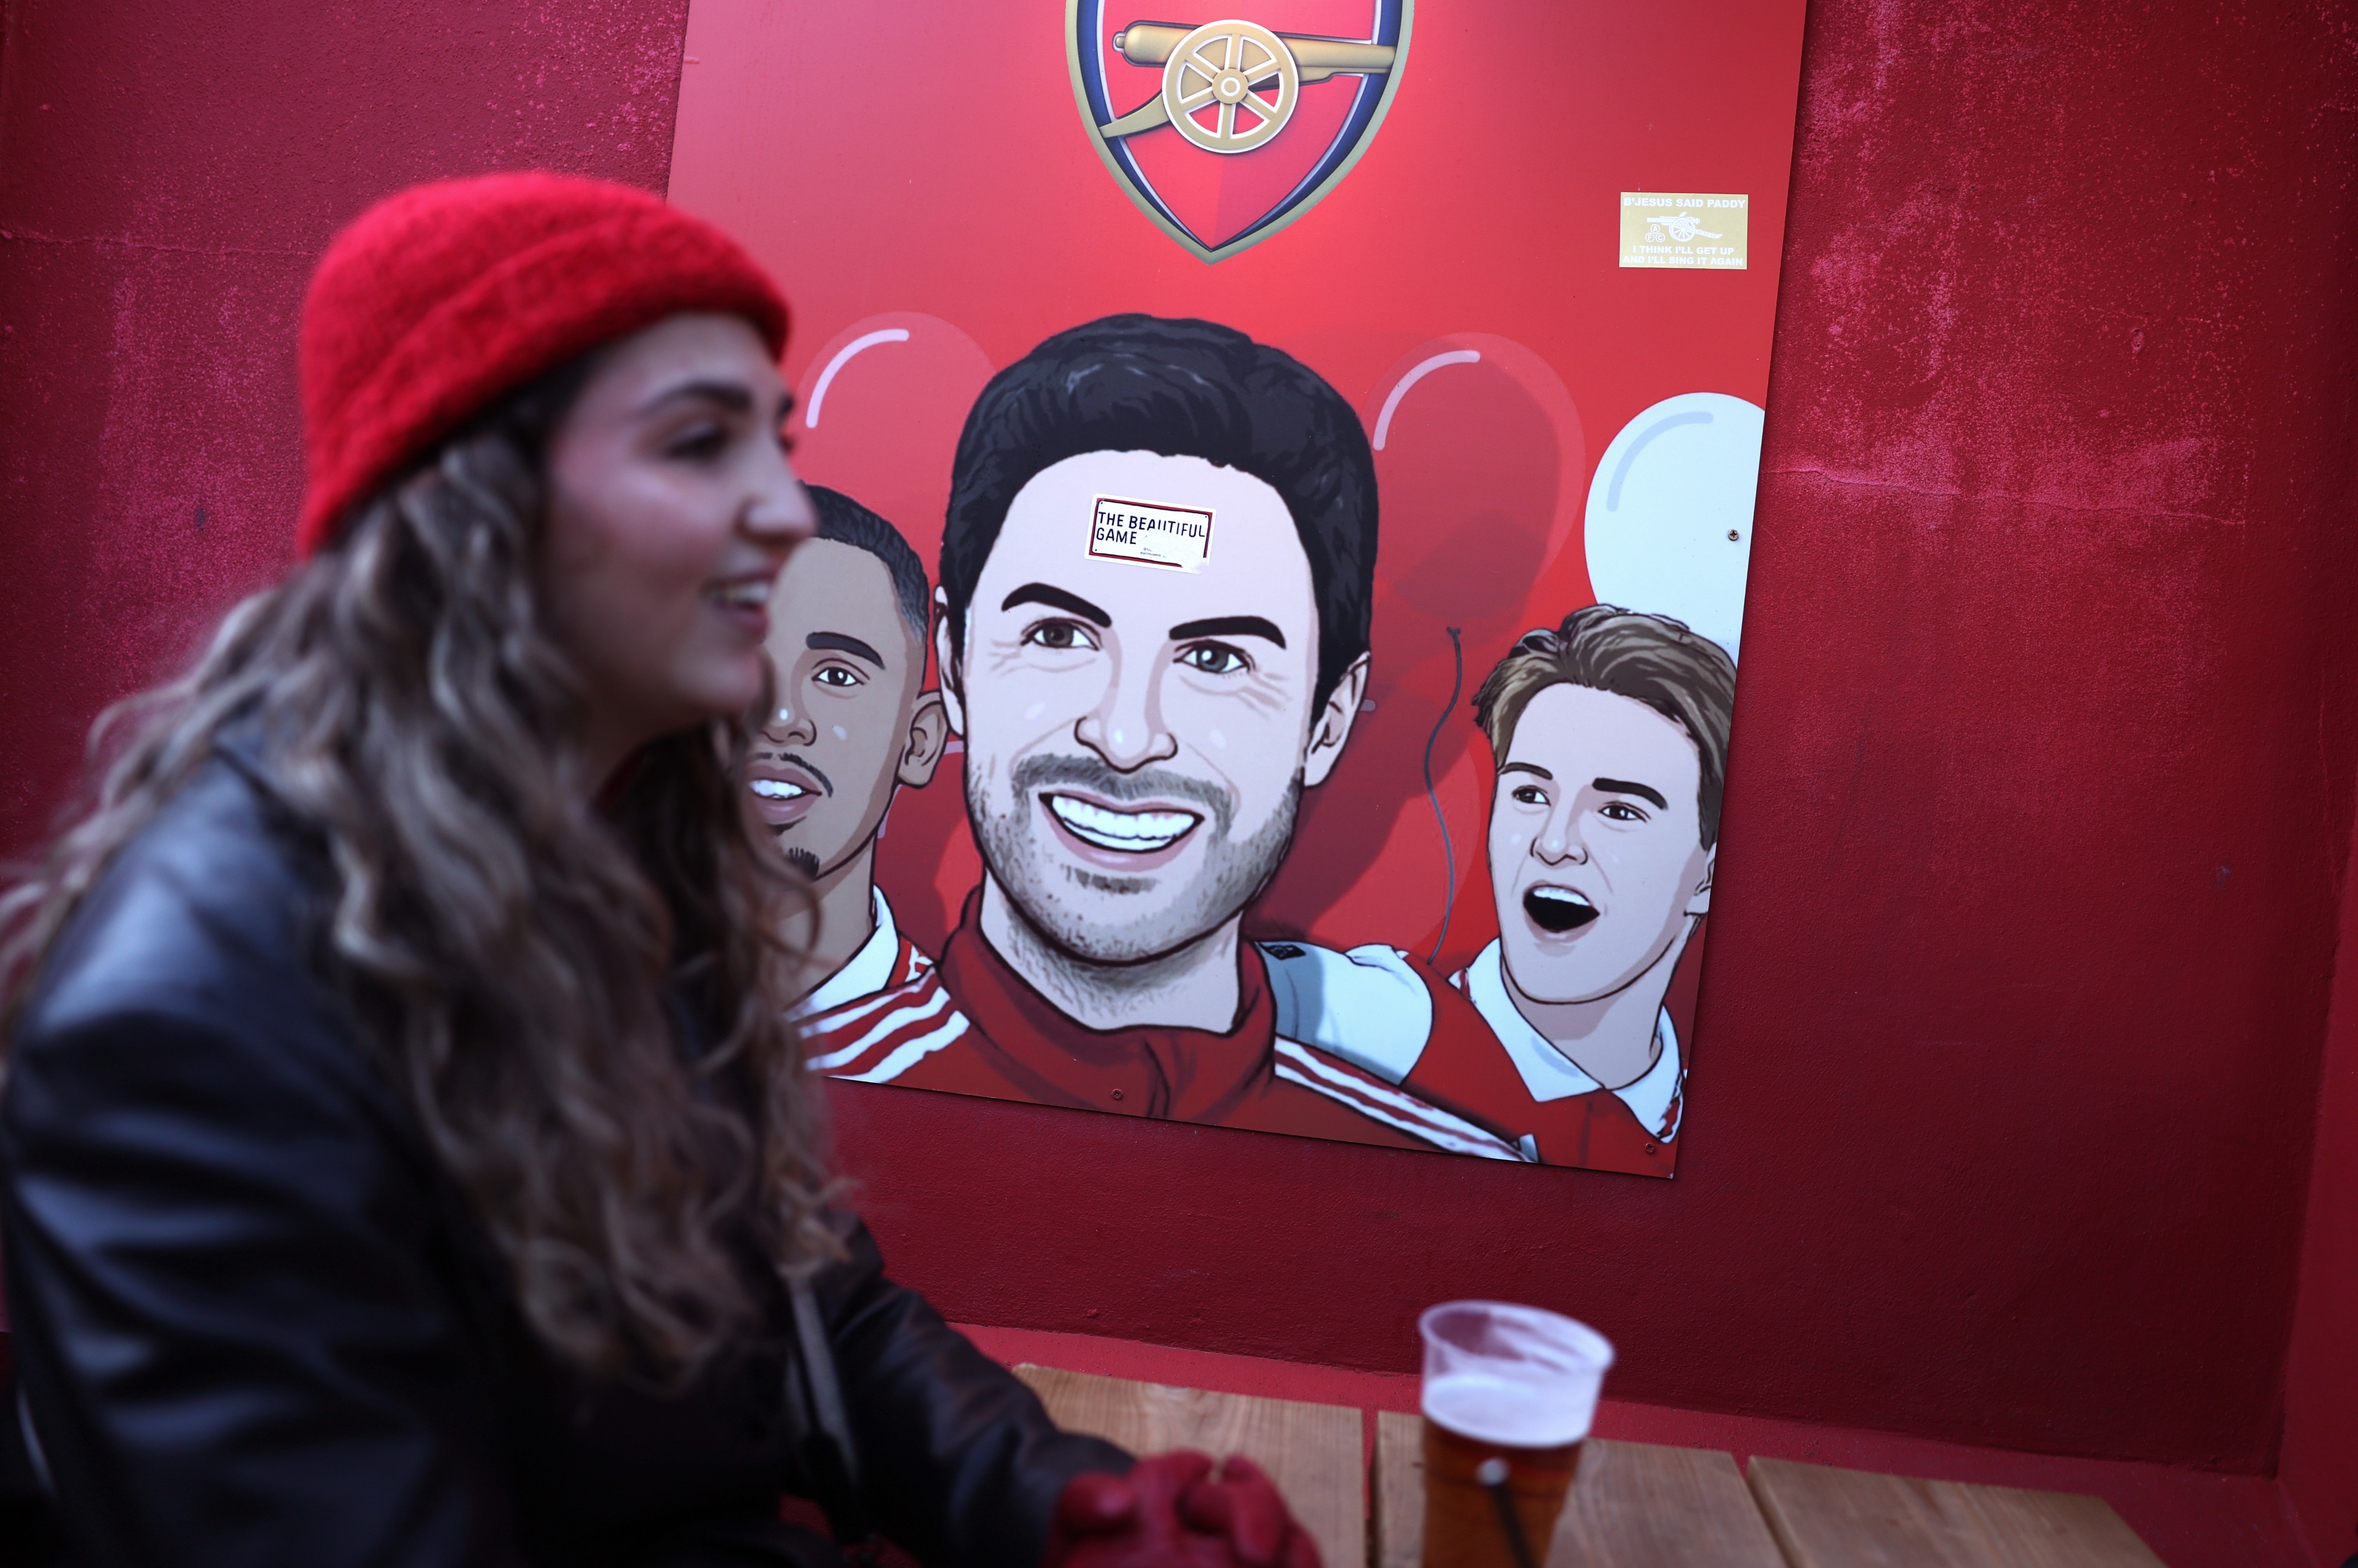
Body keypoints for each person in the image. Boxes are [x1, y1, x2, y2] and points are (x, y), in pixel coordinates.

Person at [0, 174, 1316, 1568]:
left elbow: (800, 1306)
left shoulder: (627, 845)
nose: (775, 513)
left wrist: (1054, 1505)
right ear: (476, 505)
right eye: (698, 446)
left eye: (773, 442)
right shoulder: (191, 1024)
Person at [818, 314, 1515, 1162]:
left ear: (1328, 719)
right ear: (957, 666)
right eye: (1060, 637)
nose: (1124, 735)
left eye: (1215, 658)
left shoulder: (1451, 1175)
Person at [1262, 606, 1733, 1174]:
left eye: (1617, 810)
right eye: (1531, 795)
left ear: (1706, 874)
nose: (1555, 844)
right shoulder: (1358, 1022)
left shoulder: (1715, 1131)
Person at [751, 485, 950, 1032]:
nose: (781, 715)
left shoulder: (958, 1048)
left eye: (837, 675)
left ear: (918, 742)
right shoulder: (569, 1002)